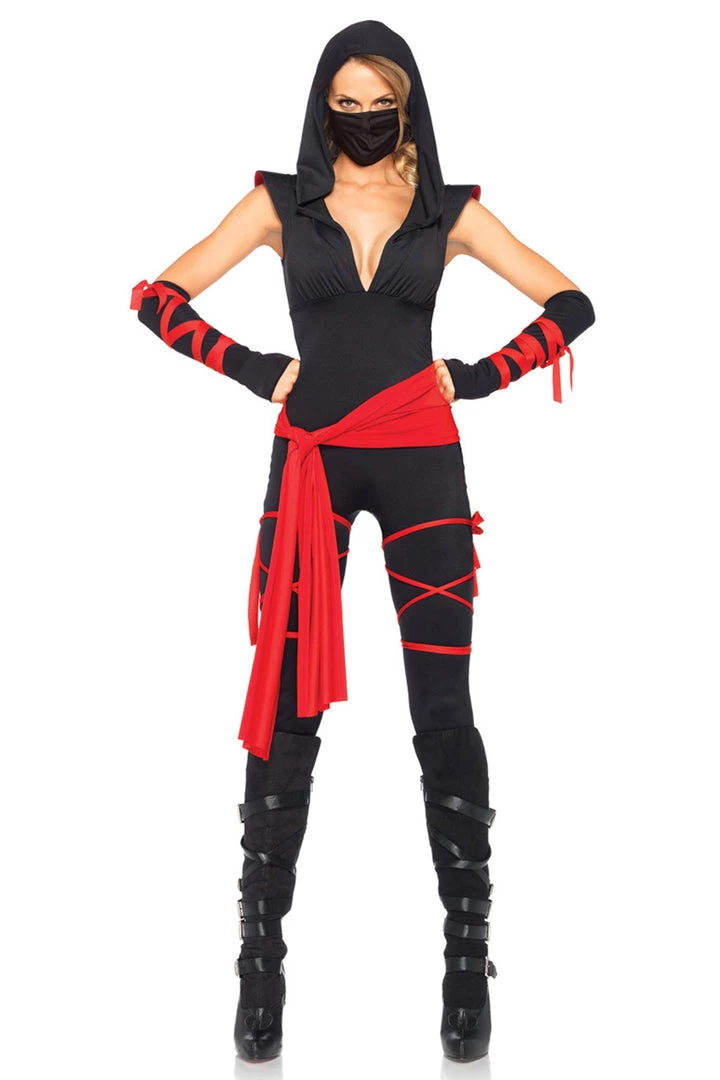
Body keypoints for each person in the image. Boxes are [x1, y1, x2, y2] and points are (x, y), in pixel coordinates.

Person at [130, 18, 595, 1065]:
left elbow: (572, 303)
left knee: (442, 704)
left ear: (407, 104)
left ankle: (467, 964)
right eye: (344, 105)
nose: (362, 120)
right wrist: (255, 368)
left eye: (378, 103)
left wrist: (477, 377)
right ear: (321, 109)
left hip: (424, 462)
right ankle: (259, 965)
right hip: (314, 464)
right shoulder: (279, 203)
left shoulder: (449, 210)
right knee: (289, 698)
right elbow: (154, 298)